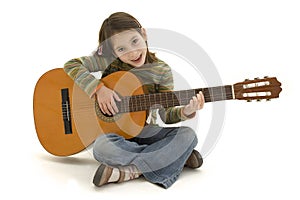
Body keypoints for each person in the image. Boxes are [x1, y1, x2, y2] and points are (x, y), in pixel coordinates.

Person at [64, 12, 205, 189]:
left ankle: (129, 171)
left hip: (147, 132)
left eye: (134, 41)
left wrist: (185, 112)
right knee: (101, 146)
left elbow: (166, 115)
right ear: (113, 52)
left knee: (188, 135)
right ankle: (172, 158)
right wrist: (98, 89)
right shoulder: (109, 62)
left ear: (143, 34)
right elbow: (71, 65)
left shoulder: (161, 71)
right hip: (115, 136)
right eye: (121, 49)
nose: (132, 52)